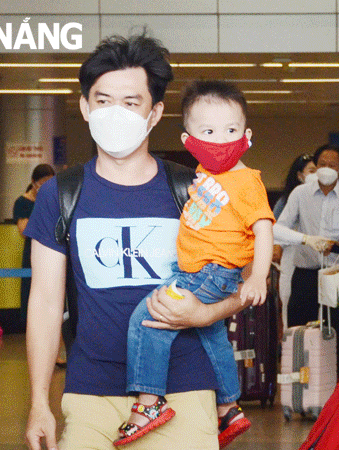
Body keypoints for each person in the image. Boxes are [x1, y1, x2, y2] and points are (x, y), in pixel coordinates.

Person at [24, 34, 252, 450]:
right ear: (84, 107)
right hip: (90, 390)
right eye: (103, 100)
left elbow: (249, 281)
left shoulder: (194, 189)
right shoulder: (61, 194)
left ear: (154, 113)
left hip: (183, 390)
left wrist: (206, 313)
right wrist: (39, 401)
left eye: (131, 103)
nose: (115, 113)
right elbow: (44, 302)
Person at [119, 80, 274, 447]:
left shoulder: (247, 181)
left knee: (148, 319)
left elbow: (265, 230)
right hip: (199, 269)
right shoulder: (206, 176)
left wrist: (259, 278)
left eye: (231, 130)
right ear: (189, 138)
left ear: (246, 134)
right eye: (208, 131)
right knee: (212, 334)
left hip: (210, 272)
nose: (220, 140)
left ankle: (149, 403)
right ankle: (228, 407)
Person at [273, 144, 339, 377]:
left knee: (334, 335)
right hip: (304, 274)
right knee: (299, 332)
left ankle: (331, 387)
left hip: (334, 277)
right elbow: (278, 229)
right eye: (322, 164)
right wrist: (306, 239)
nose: (326, 169)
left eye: (332, 165)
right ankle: (300, 390)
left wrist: (337, 244)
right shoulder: (300, 193)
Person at [271, 153, 316, 330]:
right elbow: (275, 231)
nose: (316, 175)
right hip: (291, 259)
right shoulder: (286, 200)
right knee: (291, 309)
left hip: (316, 263)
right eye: (311, 170)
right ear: (299, 175)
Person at [13, 164, 55, 326]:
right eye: (43, 183)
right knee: (32, 289)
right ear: (34, 182)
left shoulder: (53, 199)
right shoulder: (23, 202)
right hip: (33, 250)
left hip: (53, 249)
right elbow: (24, 230)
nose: (46, 187)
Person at [272, 153, 316, 219]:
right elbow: (275, 225)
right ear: (300, 175)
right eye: (312, 171)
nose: (317, 175)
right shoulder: (285, 201)